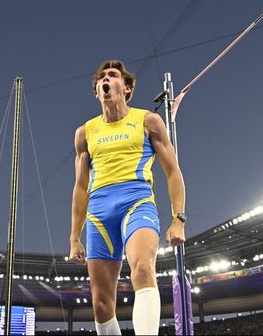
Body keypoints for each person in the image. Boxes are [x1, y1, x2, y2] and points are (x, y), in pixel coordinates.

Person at [69, 60, 187, 335]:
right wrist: (75, 236)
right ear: (97, 91)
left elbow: (173, 172)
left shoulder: (148, 121)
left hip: (136, 202)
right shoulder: (85, 133)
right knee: (101, 305)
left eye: (112, 75)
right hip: (99, 214)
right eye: (101, 78)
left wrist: (178, 218)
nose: (105, 80)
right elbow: (80, 187)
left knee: (143, 269)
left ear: (127, 86)